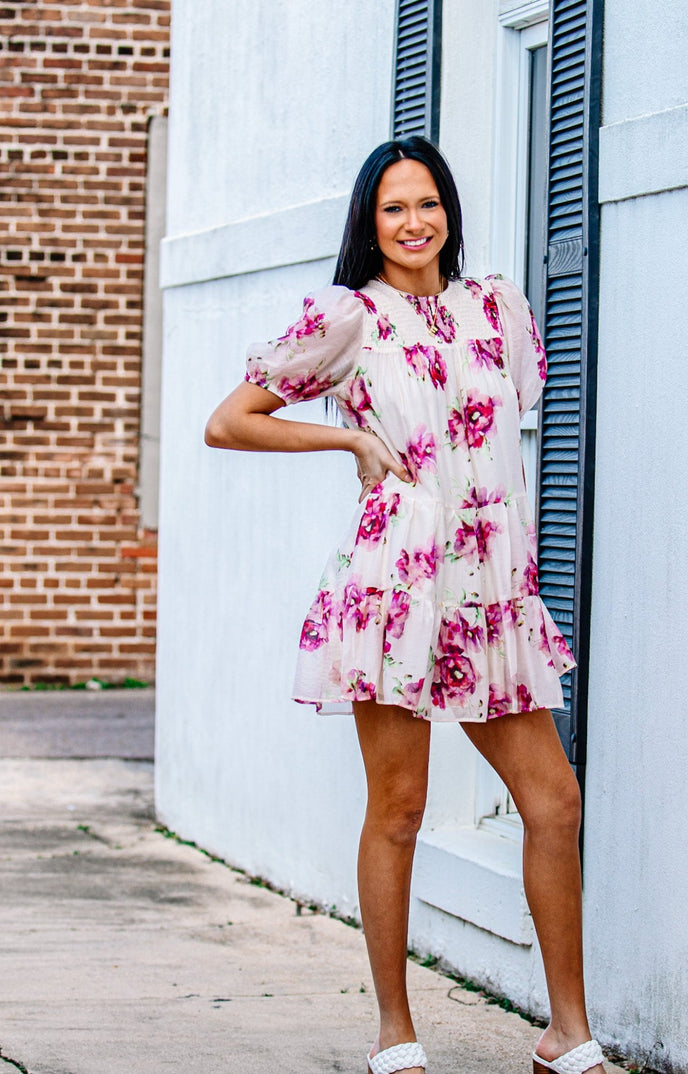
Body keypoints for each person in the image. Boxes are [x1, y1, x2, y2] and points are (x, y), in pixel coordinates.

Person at [205, 136, 605, 1074]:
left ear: (449, 212)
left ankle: (568, 1032)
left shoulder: (493, 307)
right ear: (369, 223)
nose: (414, 222)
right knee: (399, 807)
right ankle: (395, 1032)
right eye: (393, 209)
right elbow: (230, 422)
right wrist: (348, 447)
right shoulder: (350, 321)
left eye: (428, 203)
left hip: (492, 591)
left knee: (554, 805)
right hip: (395, 590)